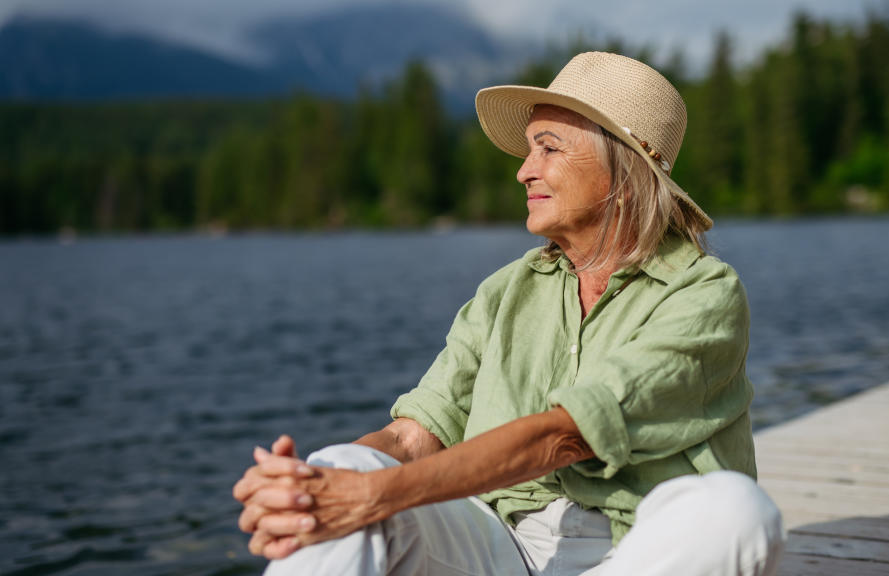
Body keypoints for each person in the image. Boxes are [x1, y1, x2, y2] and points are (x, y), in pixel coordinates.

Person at [232, 51, 786, 576]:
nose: (524, 171)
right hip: (499, 546)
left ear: (622, 169)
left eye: (548, 148)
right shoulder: (507, 291)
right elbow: (410, 439)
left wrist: (373, 497)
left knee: (735, 511)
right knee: (344, 465)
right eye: (529, 151)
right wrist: (304, 489)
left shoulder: (702, 293)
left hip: (636, 550)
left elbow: (568, 436)